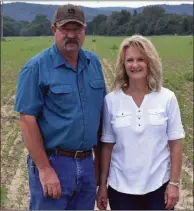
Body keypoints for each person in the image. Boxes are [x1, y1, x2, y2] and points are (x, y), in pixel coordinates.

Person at [14, 4, 106, 210]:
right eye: (66, 29)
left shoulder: (94, 63)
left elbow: (101, 115)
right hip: (55, 162)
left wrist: (99, 168)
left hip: (86, 162)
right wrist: (45, 169)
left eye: (77, 29)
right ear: (54, 29)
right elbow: (27, 120)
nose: (71, 35)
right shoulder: (36, 67)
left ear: (85, 29)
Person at [97, 35, 185, 210]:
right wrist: (102, 186)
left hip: (158, 185)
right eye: (129, 60)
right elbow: (107, 146)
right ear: (123, 64)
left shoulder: (167, 98)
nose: (134, 65)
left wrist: (173, 183)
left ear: (150, 62)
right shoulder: (111, 100)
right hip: (120, 188)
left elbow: (176, 143)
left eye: (140, 59)